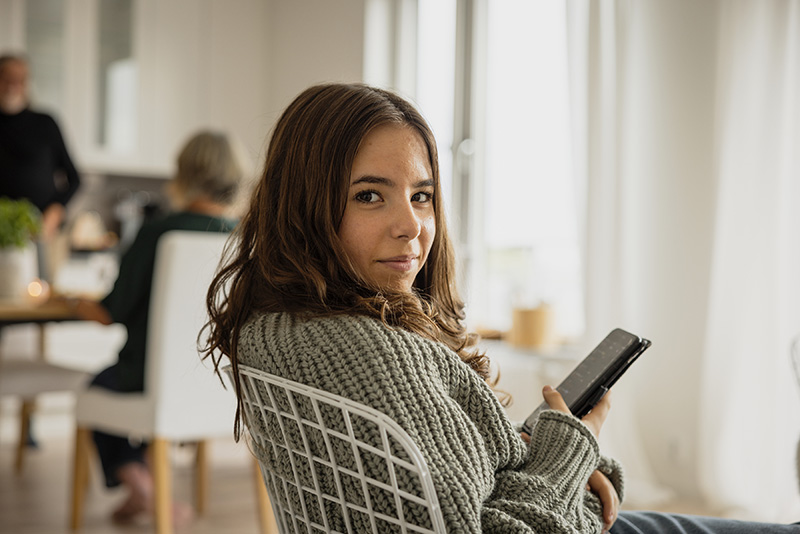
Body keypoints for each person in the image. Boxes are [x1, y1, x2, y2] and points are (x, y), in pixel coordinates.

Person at [202, 83, 799, 533]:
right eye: (368, 196)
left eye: (421, 196)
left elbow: (457, 481)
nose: (411, 225)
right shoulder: (375, 353)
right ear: (304, 207)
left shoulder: (278, 326)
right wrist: (569, 447)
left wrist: (556, 453)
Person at [68, 130, 244, 526]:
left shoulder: (159, 232)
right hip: (222, 382)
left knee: (97, 388)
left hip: (149, 377)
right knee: (149, 395)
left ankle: (141, 486)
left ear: (185, 173)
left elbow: (111, 312)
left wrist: (75, 303)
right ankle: (146, 479)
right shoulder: (243, 239)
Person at [0, 54, 80, 241]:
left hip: (40, 235)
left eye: (20, 79)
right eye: (7, 77)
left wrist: (54, 213)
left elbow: (74, 179)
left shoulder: (45, 123)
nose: (13, 84)